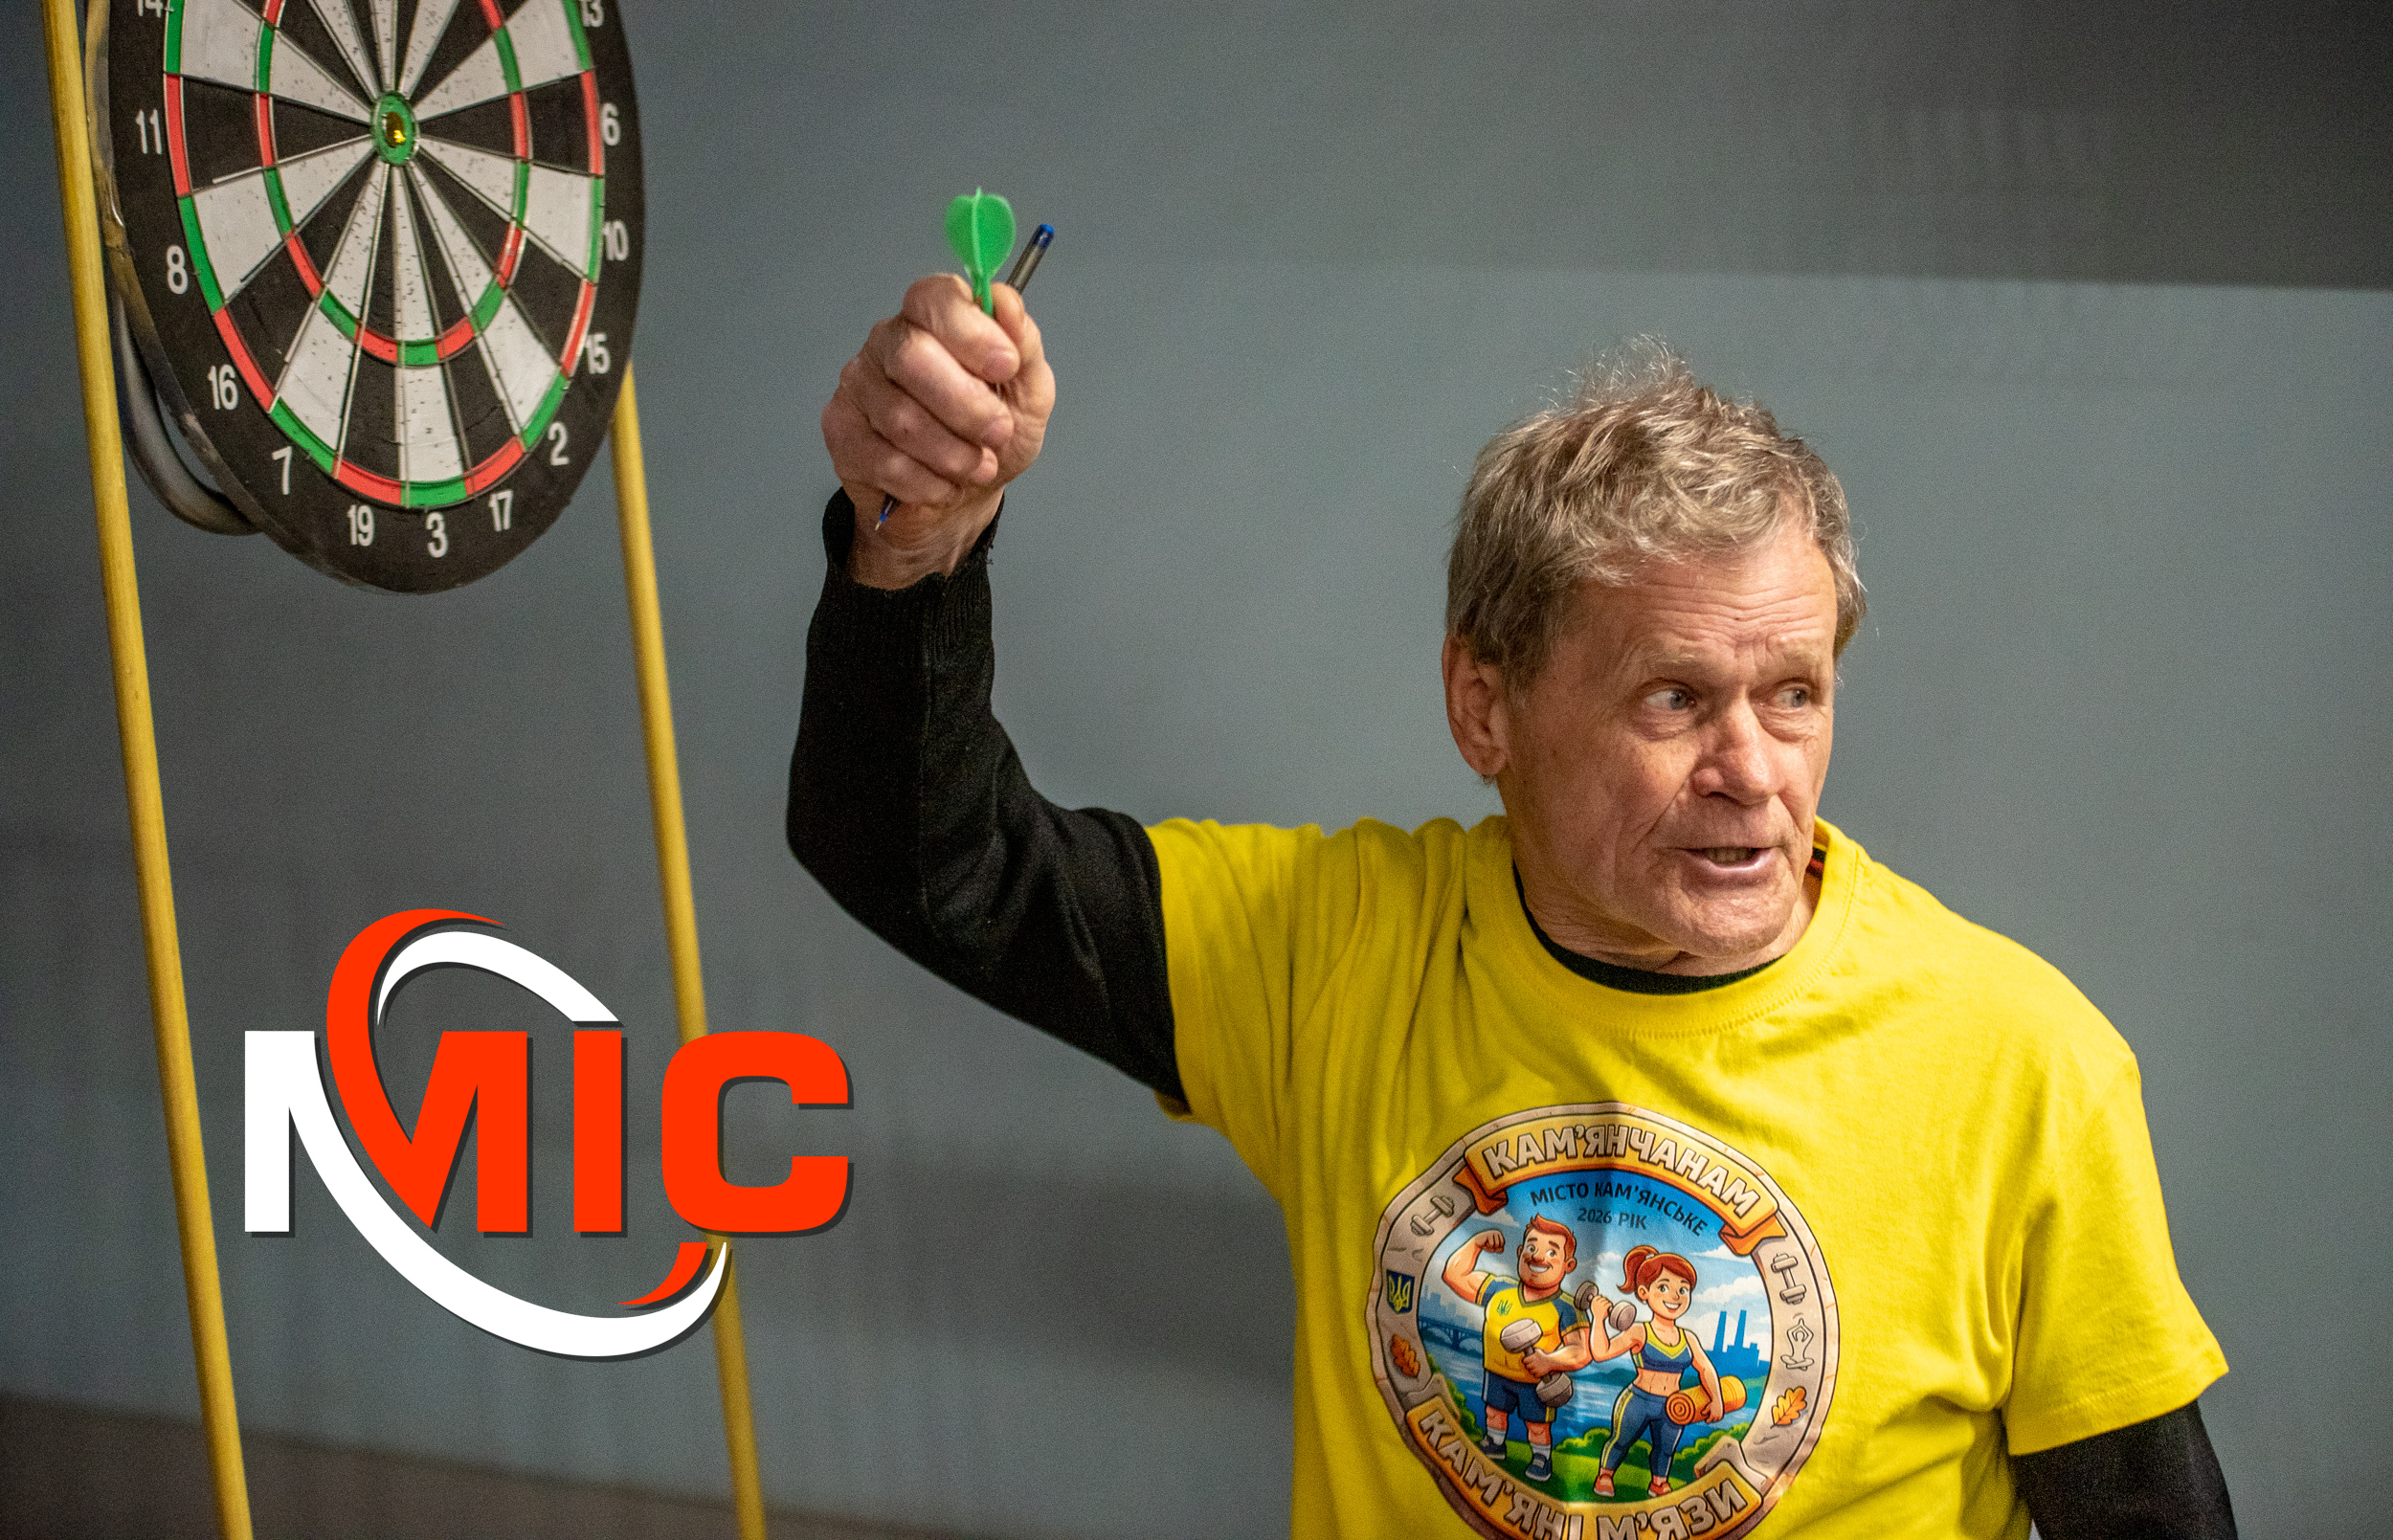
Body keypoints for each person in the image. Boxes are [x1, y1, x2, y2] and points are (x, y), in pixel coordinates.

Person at [791, 275, 2237, 1537]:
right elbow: (926, 861)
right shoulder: (1332, 953)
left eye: (1794, 693)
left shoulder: (2023, 1064)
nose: (1753, 771)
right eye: (1675, 698)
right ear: (1484, 706)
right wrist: (912, 548)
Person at [1560, 1244, 1726, 1501]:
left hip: (1672, 1405)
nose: (1675, 1296)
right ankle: (1605, 1476)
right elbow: (1601, 1353)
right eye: (1664, 1287)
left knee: (1666, 1449)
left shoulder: (1688, 1338)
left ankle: (1659, 1483)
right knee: (1621, 1441)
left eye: (1683, 1289)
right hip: (1638, 1400)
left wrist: (1717, 1400)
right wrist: (1598, 1319)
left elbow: (1706, 1368)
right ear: (1643, 1293)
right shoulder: (1640, 1331)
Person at [1438, 1216, 1589, 1484]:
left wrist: (1549, 1361)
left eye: (1552, 1252)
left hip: (1536, 1383)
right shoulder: (1499, 1289)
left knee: (1537, 1426)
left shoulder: (1567, 1307)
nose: (1538, 1256)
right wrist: (1475, 1243)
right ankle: (1494, 1443)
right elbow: (1454, 1276)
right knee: (1494, 1413)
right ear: (1520, 1252)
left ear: (1568, 1265)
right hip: (1496, 1373)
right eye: (1531, 1247)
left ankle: (1541, 1457)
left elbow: (1581, 1350)